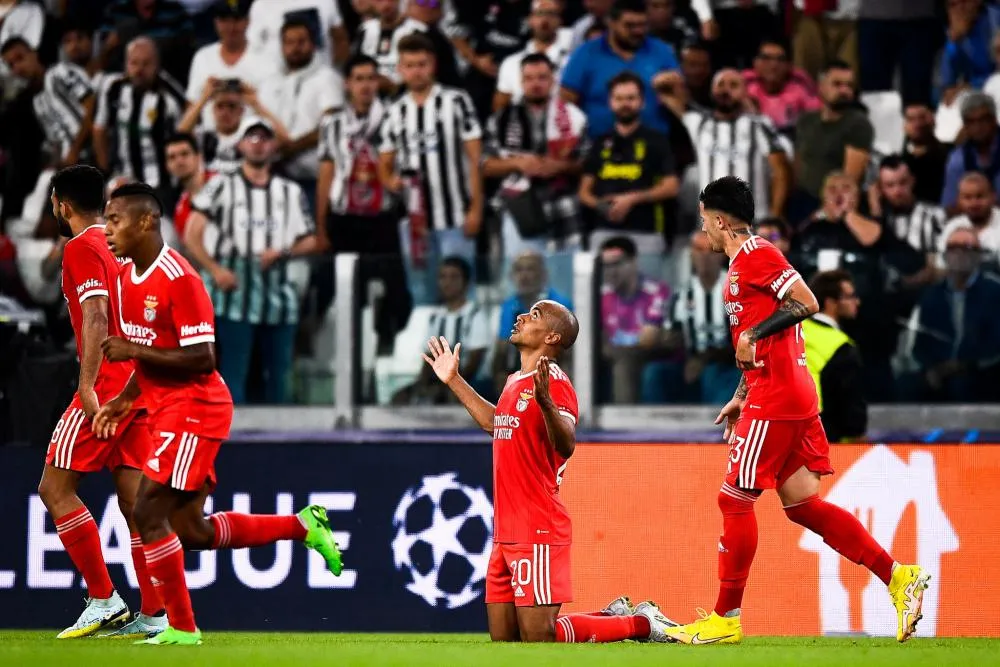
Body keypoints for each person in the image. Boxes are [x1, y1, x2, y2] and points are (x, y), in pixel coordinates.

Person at [663, 175, 928, 646]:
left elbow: (806, 302)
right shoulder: (741, 266)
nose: (702, 227)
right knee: (804, 506)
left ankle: (725, 618)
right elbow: (759, 336)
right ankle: (898, 576)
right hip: (778, 392)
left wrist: (752, 338)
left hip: (780, 398)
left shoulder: (757, 254)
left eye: (704, 217)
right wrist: (742, 391)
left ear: (719, 219)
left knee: (734, 499)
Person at [94, 182, 342, 646]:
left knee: (147, 511)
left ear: (146, 221)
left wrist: (131, 349)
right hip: (166, 408)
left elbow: (203, 357)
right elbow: (152, 354)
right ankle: (303, 525)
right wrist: (127, 398)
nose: (107, 229)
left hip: (195, 407)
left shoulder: (180, 278)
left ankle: (182, 631)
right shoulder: (127, 279)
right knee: (193, 531)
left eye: (114, 219)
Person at [422, 300, 675, 643]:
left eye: (535, 315)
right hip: (506, 530)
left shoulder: (554, 382)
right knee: (505, 641)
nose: (522, 317)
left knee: (540, 636)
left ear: (553, 336)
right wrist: (453, 380)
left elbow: (566, 443)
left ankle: (641, 624)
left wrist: (545, 403)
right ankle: (610, 616)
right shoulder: (515, 380)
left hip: (536, 526)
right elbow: (495, 423)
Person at [37, 166, 163, 640]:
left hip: (107, 386)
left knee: (54, 488)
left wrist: (87, 385)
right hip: (139, 385)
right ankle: (153, 614)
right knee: (134, 505)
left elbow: (96, 314)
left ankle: (104, 598)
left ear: (61, 204)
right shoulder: (118, 246)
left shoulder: (81, 246)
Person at [184, 117, 320, 405]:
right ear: (241, 144)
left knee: (280, 372)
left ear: (274, 146)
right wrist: (215, 270)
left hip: (277, 288)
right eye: (252, 138)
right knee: (235, 369)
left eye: (264, 139)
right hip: (233, 287)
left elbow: (311, 240)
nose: (258, 145)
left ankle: (282, 439)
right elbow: (191, 233)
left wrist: (283, 252)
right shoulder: (220, 186)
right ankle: (235, 439)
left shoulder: (290, 191)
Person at [311, 53, 412, 352]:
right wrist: (321, 226)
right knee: (327, 286)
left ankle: (387, 344)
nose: (365, 86)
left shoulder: (395, 117)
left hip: (382, 218)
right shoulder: (332, 124)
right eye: (359, 79)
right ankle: (308, 344)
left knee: (396, 289)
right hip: (344, 219)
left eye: (371, 78)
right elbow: (326, 175)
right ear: (347, 84)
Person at [378, 33, 484, 303]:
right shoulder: (394, 111)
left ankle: (462, 345)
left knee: (462, 289)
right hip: (415, 224)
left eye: (422, 64)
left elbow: (475, 159)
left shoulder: (457, 101)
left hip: (455, 215)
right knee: (422, 292)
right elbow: (385, 164)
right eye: (410, 65)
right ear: (400, 69)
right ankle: (429, 345)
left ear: (433, 65)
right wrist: (392, 183)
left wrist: (476, 209)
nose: (416, 71)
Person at [484, 53, 589, 263]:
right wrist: (517, 163)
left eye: (542, 78)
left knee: (564, 282)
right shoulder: (501, 119)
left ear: (552, 80)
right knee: (522, 280)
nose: (536, 84)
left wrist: (560, 166)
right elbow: (484, 166)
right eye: (529, 78)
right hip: (519, 209)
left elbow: (588, 164)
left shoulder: (575, 117)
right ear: (521, 82)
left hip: (563, 209)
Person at [662, 67, 791, 221]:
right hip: (710, 230)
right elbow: (663, 90)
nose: (726, 90)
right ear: (711, 91)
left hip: (752, 225)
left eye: (733, 85)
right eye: (720, 84)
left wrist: (774, 217)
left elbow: (781, 171)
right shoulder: (699, 123)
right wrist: (675, 79)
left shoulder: (759, 126)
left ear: (744, 93)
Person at [579, 71, 679, 255]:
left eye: (631, 98)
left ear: (642, 102)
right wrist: (600, 205)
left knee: (648, 284)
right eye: (619, 98)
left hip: (646, 231)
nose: (625, 104)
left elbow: (671, 186)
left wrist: (631, 199)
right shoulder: (600, 142)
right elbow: (584, 192)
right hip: (603, 232)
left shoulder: (657, 140)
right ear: (610, 102)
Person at [560, 0, 681, 139]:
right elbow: (566, 103)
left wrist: (673, 86)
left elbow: (680, 101)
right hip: (597, 147)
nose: (638, 31)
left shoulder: (661, 51)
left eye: (642, 25)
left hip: (653, 148)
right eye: (630, 25)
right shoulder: (586, 53)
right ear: (611, 23)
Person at [259, 18, 345, 203]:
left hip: (316, 179)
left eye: (301, 41)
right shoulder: (271, 82)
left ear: (313, 44)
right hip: (276, 176)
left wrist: (291, 149)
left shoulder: (327, 78)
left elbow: (331, 127)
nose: (295, 48)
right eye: (289, 42)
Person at [93, 37, 187, 203]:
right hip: (122, 176)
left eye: (146, 64)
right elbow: (99, 129)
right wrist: (106, 170)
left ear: (157, 65)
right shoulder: (113, 88)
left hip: (159, 183)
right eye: (134, 63)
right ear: (126, 65)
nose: (139, 70)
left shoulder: (170, 97)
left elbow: (184, 137)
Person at [912, 225, 1000, 403]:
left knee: (962, 386)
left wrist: (964, 366)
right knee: (908, 385)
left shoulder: (994, 292)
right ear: (944, 255)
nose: (959, 253)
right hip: (939, 369)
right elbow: (921, 344)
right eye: (953, 248)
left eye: (966, 248)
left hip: (981, 371)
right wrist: (932, 369)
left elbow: (995, 346)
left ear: (979, 256)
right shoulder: (932, 295)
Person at [392, 257, 492, 405]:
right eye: (443, 277)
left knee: (448, 397)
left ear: (465, 282)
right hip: (441, 381)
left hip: (473, 382)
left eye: (453, 277)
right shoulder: (436, 317)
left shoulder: (475, 315)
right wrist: (422, 384)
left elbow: (474, 362)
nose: (447, 283)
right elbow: (429, 358)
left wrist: (449, 386)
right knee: (399, 398)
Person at [791, 60, 873, 223]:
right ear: (820, 86)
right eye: (837, 84)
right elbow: (798, 164)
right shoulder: (806, 121)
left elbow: (850, 179)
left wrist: (826, 211)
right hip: (802, 201)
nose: (844, 90)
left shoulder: (857, 123)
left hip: (834, 205)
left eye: (849, 85)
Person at [1, 36, 95, 168]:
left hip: (92, 153)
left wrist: (75, 150)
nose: (18, 67)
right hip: (70, 164)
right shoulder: (36, 101)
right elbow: (55, 140)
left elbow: (93, 107)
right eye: (11, 64)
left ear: (33, 54)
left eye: (20, 58)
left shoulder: (61, 71)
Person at [670, 230, 739, 404]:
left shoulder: (739, 291)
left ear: (722, 255)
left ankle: (715, 428)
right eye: (699, 250)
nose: (705, 257)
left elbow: (745, 341)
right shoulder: (681, 295)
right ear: (691, 254)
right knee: (655, 373)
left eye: (711, 251)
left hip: (729, 365)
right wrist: (659, 339)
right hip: (689, 363)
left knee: (712, 372)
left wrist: (704, 359)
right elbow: (675, 337)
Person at [185, 0, 276, 130]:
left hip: (254, 140)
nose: (231, 27)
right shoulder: (203, 57)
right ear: (216, 22)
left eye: (237, 19)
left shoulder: (265, 59)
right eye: (224, 20)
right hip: (211, 141)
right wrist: (206, 96)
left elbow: (274, 112)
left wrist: (252, 99)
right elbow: (191, 106)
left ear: (248, 21)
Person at [491, 251, 573, 392]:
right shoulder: (509, 305)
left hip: (554, 367)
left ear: (543, 275)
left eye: (530, 269)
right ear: (512, 276)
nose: (524, 276)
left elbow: (569, 351)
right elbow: (502, 347)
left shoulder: (559, 304)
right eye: (519, 270)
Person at [802, 270, 867, 442]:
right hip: (824, 439)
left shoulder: (790, 332)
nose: (857, 302)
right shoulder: (841, 346)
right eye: (850, 296)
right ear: (831, 303)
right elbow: (851, 407)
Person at [493, 0, 573, 111]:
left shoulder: (572, 62)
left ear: (560, 20)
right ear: (529, 20)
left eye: (551, 14)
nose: (545, 20)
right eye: (539, 14)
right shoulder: (511, 63)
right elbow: (500, 107)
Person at [742, 36, 821, 138]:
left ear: (789, 65)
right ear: (755, 63)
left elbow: (818, 119)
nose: (773, 65)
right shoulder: (743, 85)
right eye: (766, 58)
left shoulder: (800, 87)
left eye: (780, 60)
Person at [941, 93, 1000, 213]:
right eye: (971, 122)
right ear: (965, 126)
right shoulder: (957, 159)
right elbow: (949, 207)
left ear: (994, 120)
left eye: (983, 120)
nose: (978, 127)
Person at [353, 0, 426, 96]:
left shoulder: (417, 30)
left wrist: (395, 87)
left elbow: (423, 69)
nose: (386, 5)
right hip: (370, 95)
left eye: (390, 0)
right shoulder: (365, 30)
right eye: (380, 1)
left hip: (406, 94)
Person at [246, 0, 350, 67]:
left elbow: (340, 39)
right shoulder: (261, 5)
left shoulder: (326, 1)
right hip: (279, 82)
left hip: (321, 79)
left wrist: (338, 73)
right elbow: (253, 48)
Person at [938, 172, 1000, 264]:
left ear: (993, 196)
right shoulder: (952, 227)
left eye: (980, 196)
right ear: (959, 200)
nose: (974, 203)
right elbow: (941, 265)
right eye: (967, 197)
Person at [901, 103, 950, 207]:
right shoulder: (899, 163)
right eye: (911, 119)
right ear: (904, 125)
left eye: (922, 117)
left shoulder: (950, 155)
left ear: (933, 120)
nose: (918, 124)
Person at [165, 133, 211, 240]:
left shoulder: (223, 183)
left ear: (199, 157)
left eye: (184, 154)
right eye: (172, 157)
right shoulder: (180, 212)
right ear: (167, 166)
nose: (179, 161)